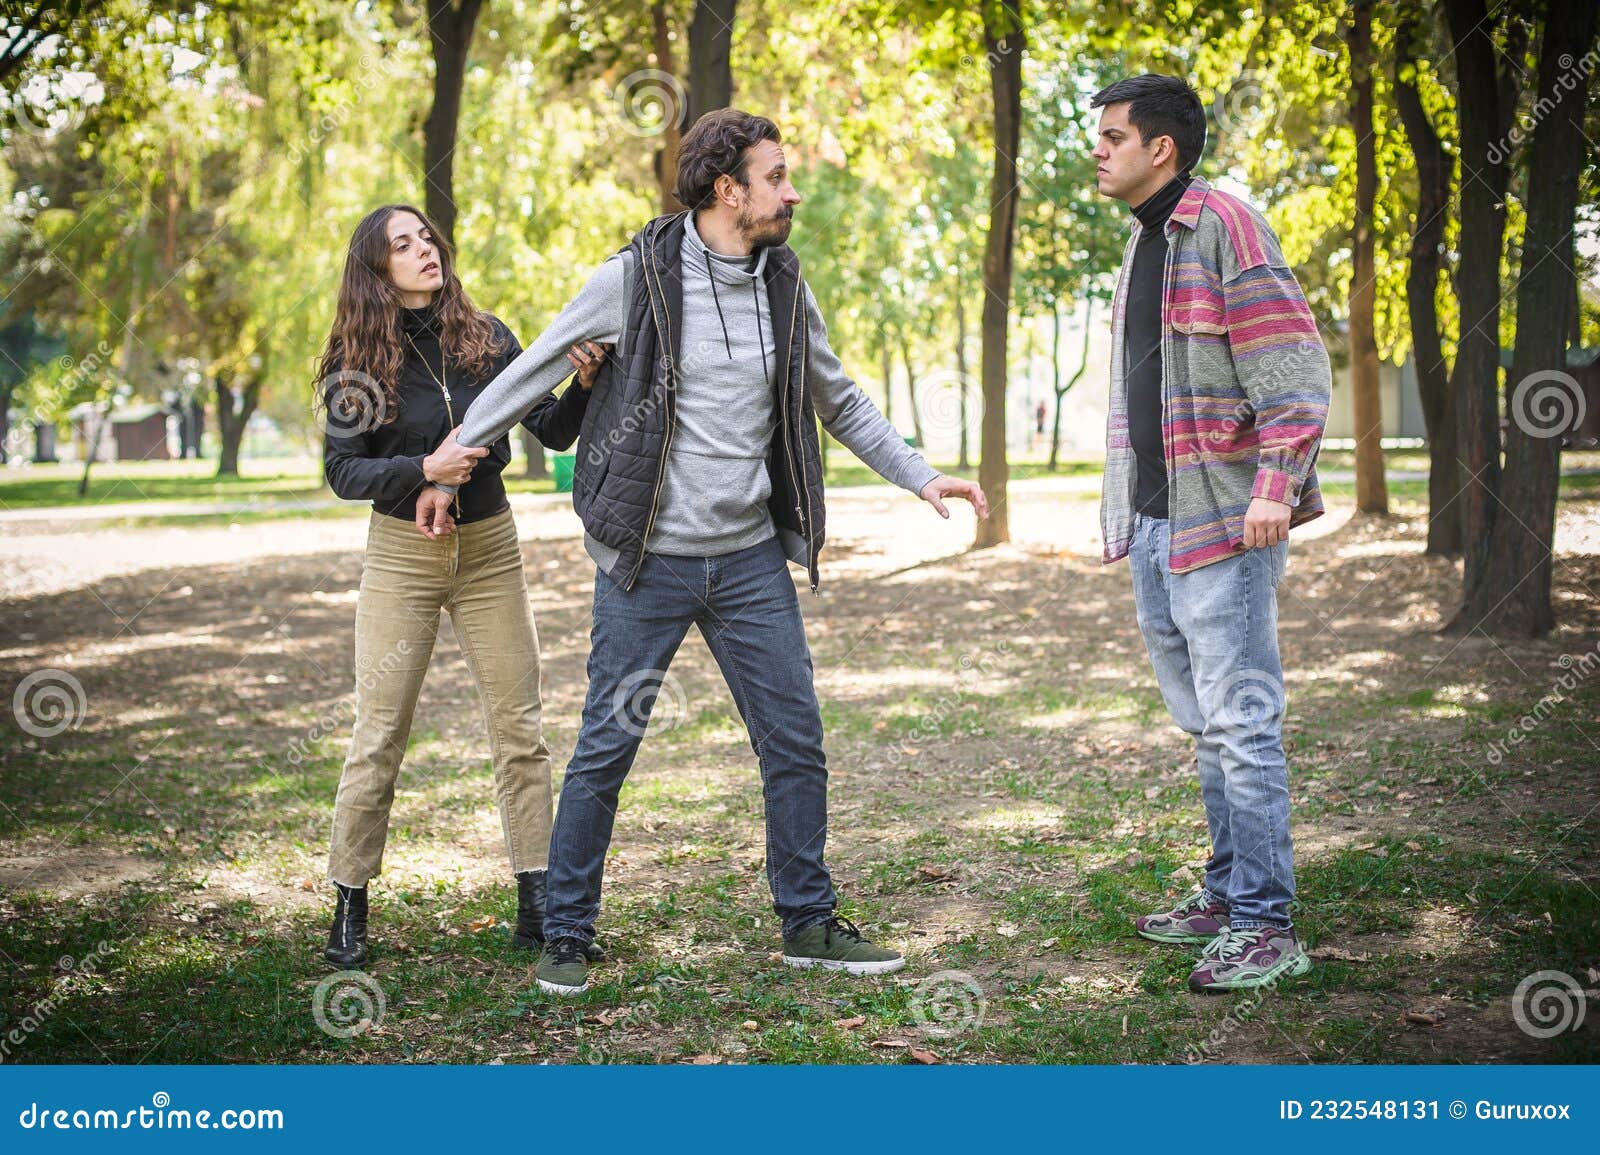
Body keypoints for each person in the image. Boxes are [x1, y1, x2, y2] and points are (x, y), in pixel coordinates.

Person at [419, 109, 989, 995]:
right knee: (607, 746)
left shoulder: (784, 285)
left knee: (795, 740)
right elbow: (529, 371)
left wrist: (921, 477)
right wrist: (451, 465)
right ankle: (566, 931)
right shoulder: (635, 277)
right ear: (730, 191)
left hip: (750, 559)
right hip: (647, 560)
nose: (791, 191)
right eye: (777, 176)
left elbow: (838, 400)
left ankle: (808, 920)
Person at [316, 202, 608, 968]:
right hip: (402, 558)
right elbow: (344, 470)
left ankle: (539, 898)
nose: (424, 251)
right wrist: (423, 470)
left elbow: (551, 428)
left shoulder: (489, 337)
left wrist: (581, 383)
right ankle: (349, 900)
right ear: (377, 270)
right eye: (402, 245)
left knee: (521, 727)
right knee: (379, 731)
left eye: (427, 238)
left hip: (489, 549)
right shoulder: (356, 358)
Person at [1090, 75, 1330, 992]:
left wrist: (1277, 484)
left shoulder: (1224, 224)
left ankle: (1268, 924)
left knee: (1242, 720)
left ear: (1163, 148)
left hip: (1226, 516)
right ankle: (1229, 893)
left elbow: (1295, 364)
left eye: (1116, 136)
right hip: (1160, 518)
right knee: (1203, 722)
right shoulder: (1145, 244)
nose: (1101, 150)